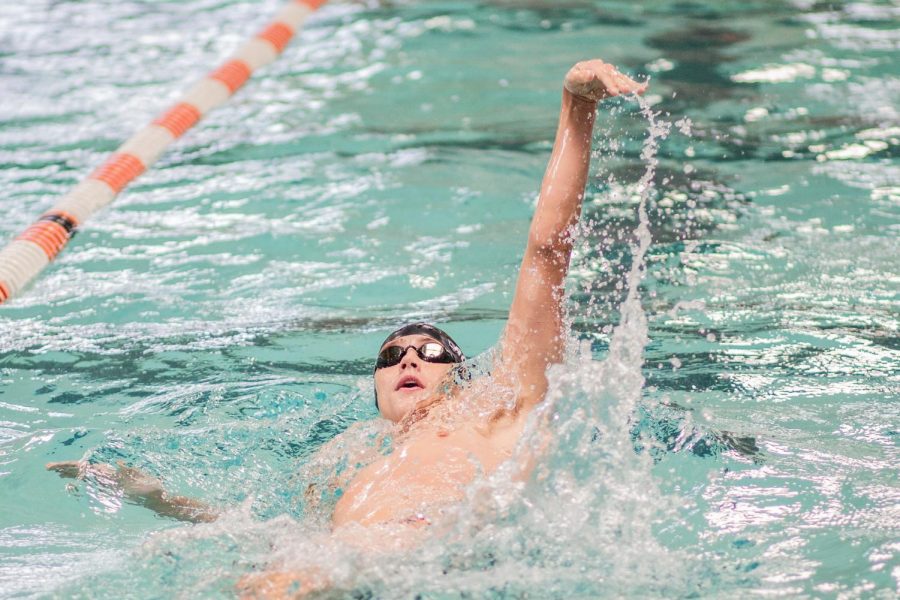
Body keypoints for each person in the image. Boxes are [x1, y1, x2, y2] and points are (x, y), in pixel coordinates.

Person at [47, 58, 647, 597]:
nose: (408, 361)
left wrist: (575, 105)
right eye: (391, 357)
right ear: (378, 388)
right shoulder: (345, 459)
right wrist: (153, 497)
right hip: (346, 569)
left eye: (430, 351)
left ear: (462, 378)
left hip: (433, 557)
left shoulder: (499, 408)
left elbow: (547, 253)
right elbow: (266, 534)